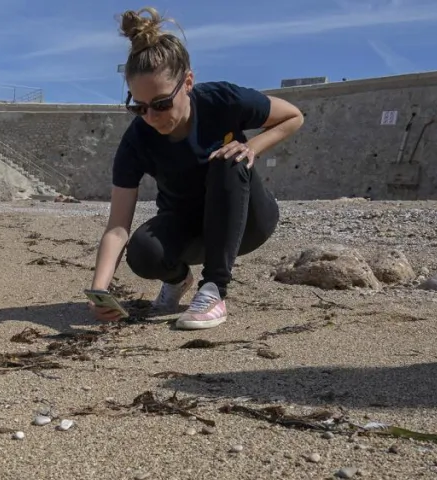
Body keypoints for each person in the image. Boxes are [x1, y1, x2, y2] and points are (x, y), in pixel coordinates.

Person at [88, 7, 304, 329]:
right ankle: (177, 280)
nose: (152, 116)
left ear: (187, 82)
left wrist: (251, 147)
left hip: (248, 223)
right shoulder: (136, 140)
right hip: (190, 228)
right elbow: (118, 227)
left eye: (161, 104)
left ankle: (214, 289)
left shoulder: (222, 100)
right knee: (144, 252)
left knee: (228, 159)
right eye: (138, 107)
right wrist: (99, 289)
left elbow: (293, 116)